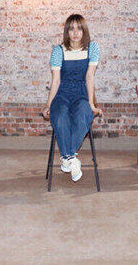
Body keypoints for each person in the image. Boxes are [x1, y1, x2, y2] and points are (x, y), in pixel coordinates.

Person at [42, 14, 102, 182]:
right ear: (66, 32)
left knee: (84, 113)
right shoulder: (58, 51)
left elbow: (90, 77)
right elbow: (56, 80)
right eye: (71, 29)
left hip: (82, 92)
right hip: (62, 93)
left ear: (84, 30)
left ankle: (67, 157)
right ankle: (72, 158)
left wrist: (91, 104)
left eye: (79, 28)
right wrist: (48, 105)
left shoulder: (92, 48)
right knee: (59, 114)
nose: (75, 33)